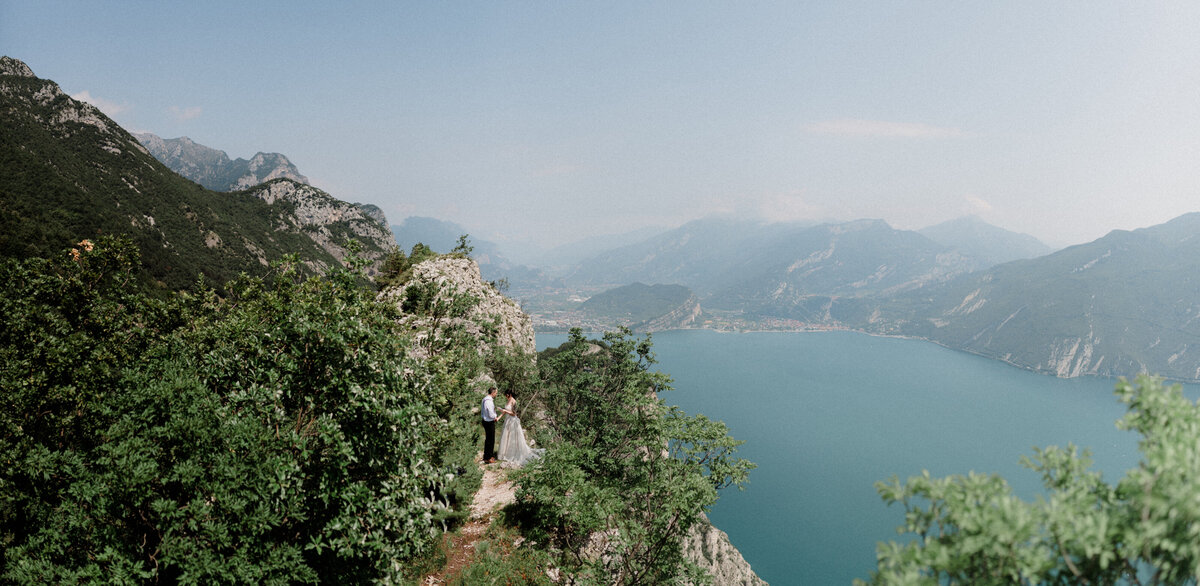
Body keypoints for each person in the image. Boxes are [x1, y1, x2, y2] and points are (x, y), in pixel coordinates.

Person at [497, 390, 544, 466]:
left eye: (506, 395)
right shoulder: (508, 400)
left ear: (510, 395)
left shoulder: (514, 401)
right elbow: (505, 412)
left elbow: (514, 413)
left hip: (512, 421)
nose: (506, 396)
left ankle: (511, 454)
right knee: (506, 437)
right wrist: (500, 414)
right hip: (507, 420)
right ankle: (504, 453)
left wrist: (505, 410)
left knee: (512, 438)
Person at [481, 387, 499, 464]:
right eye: (496, 393)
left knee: (488, 439)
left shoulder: (484, 399)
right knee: (490, 440)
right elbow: (491, 414)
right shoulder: (488, 401)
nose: (496, 394)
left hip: (485, 421)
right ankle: (489, 457)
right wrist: (495, 416)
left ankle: (486, 456)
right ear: (493, 393)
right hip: (489, 422)